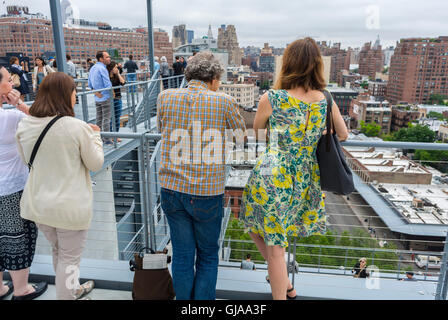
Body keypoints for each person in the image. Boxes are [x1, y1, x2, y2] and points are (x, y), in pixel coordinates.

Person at [239, 38, 349, 300]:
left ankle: (281, 287)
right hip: (303, 177)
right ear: (316, 66)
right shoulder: (326, 100)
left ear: (287, 64)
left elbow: (258, 133)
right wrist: (316, 132)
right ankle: (285, 283)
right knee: (257, 228)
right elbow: (342, 134)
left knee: (273, 245)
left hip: (272, 174)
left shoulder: (272, 98)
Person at [158, 51, 246, 300]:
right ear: (214, 78)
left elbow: (162, 130)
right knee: (208, 255)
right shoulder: (223, 101)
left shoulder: (165, 97)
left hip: (171, 188)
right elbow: (241, 138)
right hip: (207, 192)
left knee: (183, 255)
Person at [15, 72, 104, 300]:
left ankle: (72, 289)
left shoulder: (26, 125)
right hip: (69, 208)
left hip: (39, 206)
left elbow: (26, 160)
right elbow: (95, 162)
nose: (75, 96)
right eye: (74, 92)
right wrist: (96, 136)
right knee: (70, 259)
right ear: (66, 95)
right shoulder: (77, 127)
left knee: (61, 253)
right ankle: (68, 295)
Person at [0, 66, 48, 301]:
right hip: (11, 189)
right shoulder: (10, 117)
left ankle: (0, 288)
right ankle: (21, 289)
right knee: (18, 237)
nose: (14, 85)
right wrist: (19, 103)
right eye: (9, 81)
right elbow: (42, 122)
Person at [88, 51, 113, 143]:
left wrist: (96, 93)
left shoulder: (93, 68)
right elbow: (108, 85)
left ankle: (97, 138)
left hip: (97, 98)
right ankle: (107, 139)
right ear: (101, 59)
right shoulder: (102, 69)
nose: (109, 58)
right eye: (107, 57)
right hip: (105, 97)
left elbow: (89, 84)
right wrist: (101, 92)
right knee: (106, 119)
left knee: (99, 119)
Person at [107, 61, 125, 135]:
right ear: (111, 68)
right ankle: (111, 135)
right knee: (110, 119)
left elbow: (123, 83)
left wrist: (118, 73)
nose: (117, 68)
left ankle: (116, 135)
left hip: (118, 99)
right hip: (109, 100)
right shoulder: (106, 77)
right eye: (115, 67)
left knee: (117, 118)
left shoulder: (116, 76)